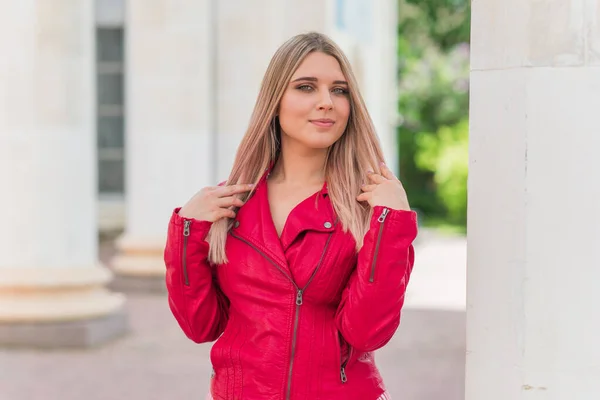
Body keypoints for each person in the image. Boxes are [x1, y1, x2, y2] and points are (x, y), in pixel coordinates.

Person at [164, 32, 417, 400]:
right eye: (306, 87)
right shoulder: (230, 204)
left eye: (339, 90)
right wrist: (187, 230)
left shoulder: (368, 208)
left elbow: (367, 333)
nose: (326, 102)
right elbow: (200, 325)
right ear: (275, 100)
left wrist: (392, 222)